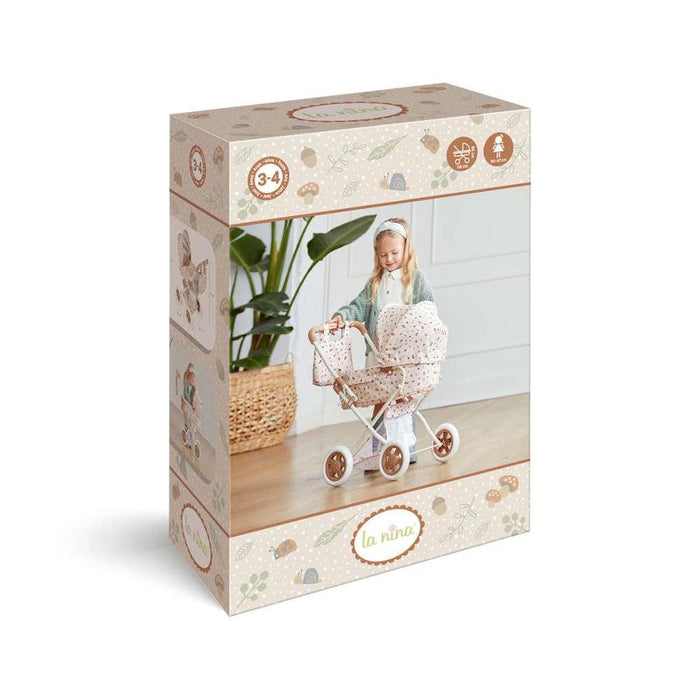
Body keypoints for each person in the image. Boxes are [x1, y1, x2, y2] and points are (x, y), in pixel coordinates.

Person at [325, 217, 435, 464]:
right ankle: (377, 451)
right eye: (383, 254)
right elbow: (356, 306)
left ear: (406, 248)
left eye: (394, 252)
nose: (389, 259)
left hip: (405, 357)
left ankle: (407, 450)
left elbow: (428, 311)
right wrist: (342, 316)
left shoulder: (417, 280)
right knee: (380, 403)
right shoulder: (375, 284)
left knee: (403, 402)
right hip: (377, 354)